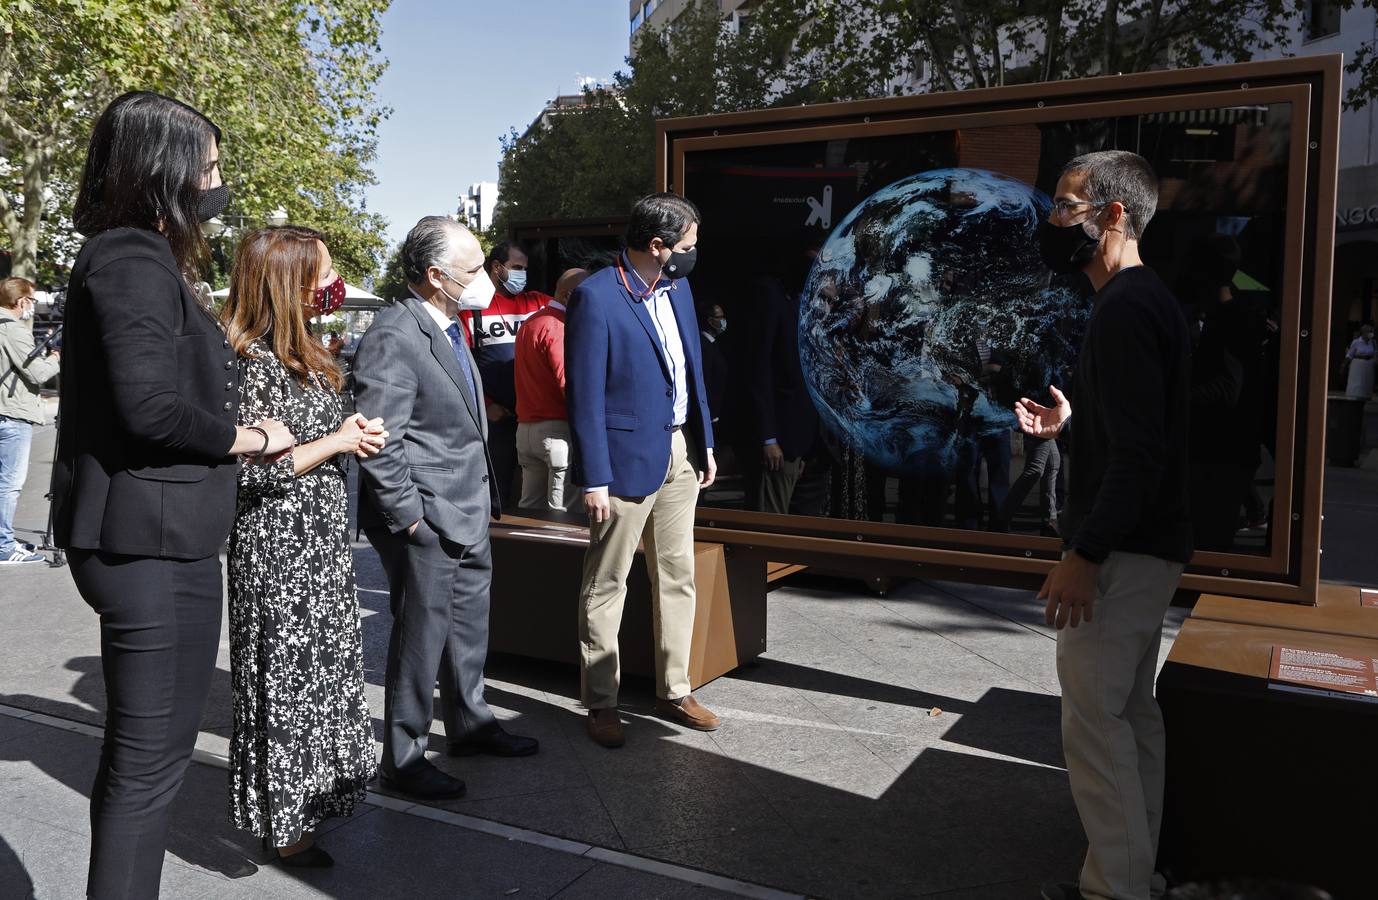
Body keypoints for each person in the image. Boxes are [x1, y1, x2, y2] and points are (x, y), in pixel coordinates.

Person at [52, 91, 294, 899]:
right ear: (165, 171)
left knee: (147, 762)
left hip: (158, 536)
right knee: (149, 768)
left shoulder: (131, 255)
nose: (217, 185)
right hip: (147, 542)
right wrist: (251, 437)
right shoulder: (129, 258)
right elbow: (147, 408)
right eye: (211, 168)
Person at [1017, 150, 1193, 900]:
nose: (1054, 220)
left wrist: (1083, 554)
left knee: (1094, 723)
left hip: (1119, 551)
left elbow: (1142, 453)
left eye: (1065, 205)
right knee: (1128, 714)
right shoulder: (1144, 299)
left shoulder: (1124, 306)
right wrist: (1074, 422)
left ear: (1113, 214)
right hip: (1146, 547)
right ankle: (1135, 873)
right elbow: (1140, 428)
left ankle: (1115, 889)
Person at [354, 216, 538, 802]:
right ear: (436, 276)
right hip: (429, 517)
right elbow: (380, 438)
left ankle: (471, 724)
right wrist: (411, 518)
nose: (489, 277)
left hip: (469, 505)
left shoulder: (451, 325)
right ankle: (404, 757)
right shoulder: (394, 333)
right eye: (475, 269)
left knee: (466, 627)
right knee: (419, 636)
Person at [221, 226, 385, 867]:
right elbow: (246, 473)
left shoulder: (303, 354)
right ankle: (284, 823)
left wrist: (347, 430)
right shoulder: (246, 360)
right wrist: (335, 445)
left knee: (322, 677)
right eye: (322, 271)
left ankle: (311, 805)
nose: (332, 281)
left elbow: (303, 438)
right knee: (287, 686)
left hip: (317, 542)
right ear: (287, 283)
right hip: (276, 548)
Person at [566, 192, 720, 748]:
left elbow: (691, 369)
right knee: (607, 582)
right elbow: (583, 396)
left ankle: (674, 689)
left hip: (679, 453)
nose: (691, 255)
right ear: (656, 247)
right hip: (623, 464)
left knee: (678, 574)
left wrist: (704, 443)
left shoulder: (678, 288)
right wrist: (595, 476)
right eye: (686, 247)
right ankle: (601, 701)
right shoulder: (596, 298)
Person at [460, 241, 553, 504]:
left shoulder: (539, 303)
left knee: (539, 496)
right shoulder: (472, 309)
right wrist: (486, 406)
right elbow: (461, 366)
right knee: (497, 493)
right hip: (498, 421)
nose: (522, 273)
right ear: (497, 267)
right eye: (516, 267)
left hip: (536, 419)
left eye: (525, 268)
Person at [740, 272, 817, 515]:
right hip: (779, 445)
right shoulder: (774, 303)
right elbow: (760, 375)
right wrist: (769, 438)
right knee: (771, 520)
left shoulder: (804, 310)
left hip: (803, 444)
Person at [513, 267, 588, 511]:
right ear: (568, 295)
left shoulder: (531, 322)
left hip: (526, 430)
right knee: (561, 517)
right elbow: (568, 383)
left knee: (529, 512)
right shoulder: (559, 326)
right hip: (556, 431)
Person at [0, 277, 60, 565]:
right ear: (21, 300)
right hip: (13, 412)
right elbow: (36, 374)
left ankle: (4, 537)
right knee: (9, 484)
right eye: (31, 300)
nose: (31, 306)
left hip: (4, 409)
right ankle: (3, 546)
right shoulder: (13, 330)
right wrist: (57, 357)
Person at [697, 301, 728, 427]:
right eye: (720, 317)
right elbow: (706, 382)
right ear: (710, 321)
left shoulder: (713, 345)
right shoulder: (704, 347)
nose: (724, 321)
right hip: (710, 417)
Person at [1343, 322, 1375, 399]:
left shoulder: (1373, 343)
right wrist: (1344, 365)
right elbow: (1349, 355)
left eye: (1371, 331)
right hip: (1358, 366)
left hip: (1368, 366)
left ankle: (1366, 396)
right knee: (1357, 383)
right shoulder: (1356, 342)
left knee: (1367, 383)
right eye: (1369, 331)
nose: (1371, 333)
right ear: (1363, 332)